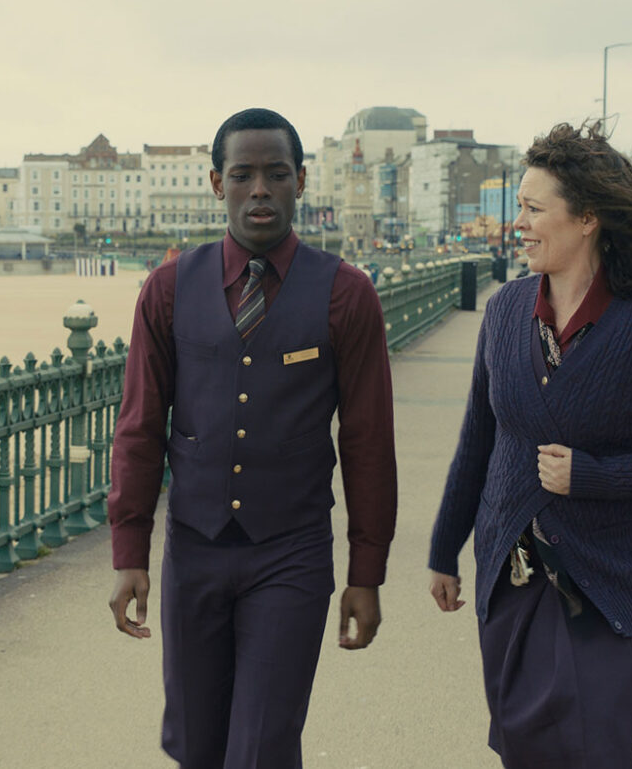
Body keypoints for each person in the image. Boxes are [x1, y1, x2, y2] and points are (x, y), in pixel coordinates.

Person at [426, 122, 632, 768]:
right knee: (524, 745)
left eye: (534, 210)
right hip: (512, 571)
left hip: (612, 578)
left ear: (588, 218)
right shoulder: (505, 310)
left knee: (594, 748)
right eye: (520, 207)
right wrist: (442, 550)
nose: (519, 224)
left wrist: (597, 475)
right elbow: (478, 439)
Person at [106, 107, 399, 768]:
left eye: (276, 174)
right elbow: (140, 428)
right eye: (242, 175)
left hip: (291, 553)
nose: (259, 190)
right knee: (195, 744)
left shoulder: (346, 294)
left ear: (301, 180)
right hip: (195, 550)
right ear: (218, 183)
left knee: (263, 747)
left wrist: (366, 573)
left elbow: (368, 443)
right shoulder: (168, 290)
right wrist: (130, 554)